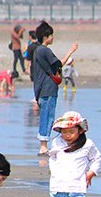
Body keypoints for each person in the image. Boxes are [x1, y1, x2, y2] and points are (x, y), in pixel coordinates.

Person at [33, 20, 79, 155]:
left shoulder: (37, 50)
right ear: (45, 37)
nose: (53, 38)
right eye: (51, 35)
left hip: (41, 89)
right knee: (47, 117)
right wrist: (70, 51)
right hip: (48, 88)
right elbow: (59, 65)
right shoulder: (45, 51)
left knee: (46, 116)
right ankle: (43, 146)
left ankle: (45, 144)